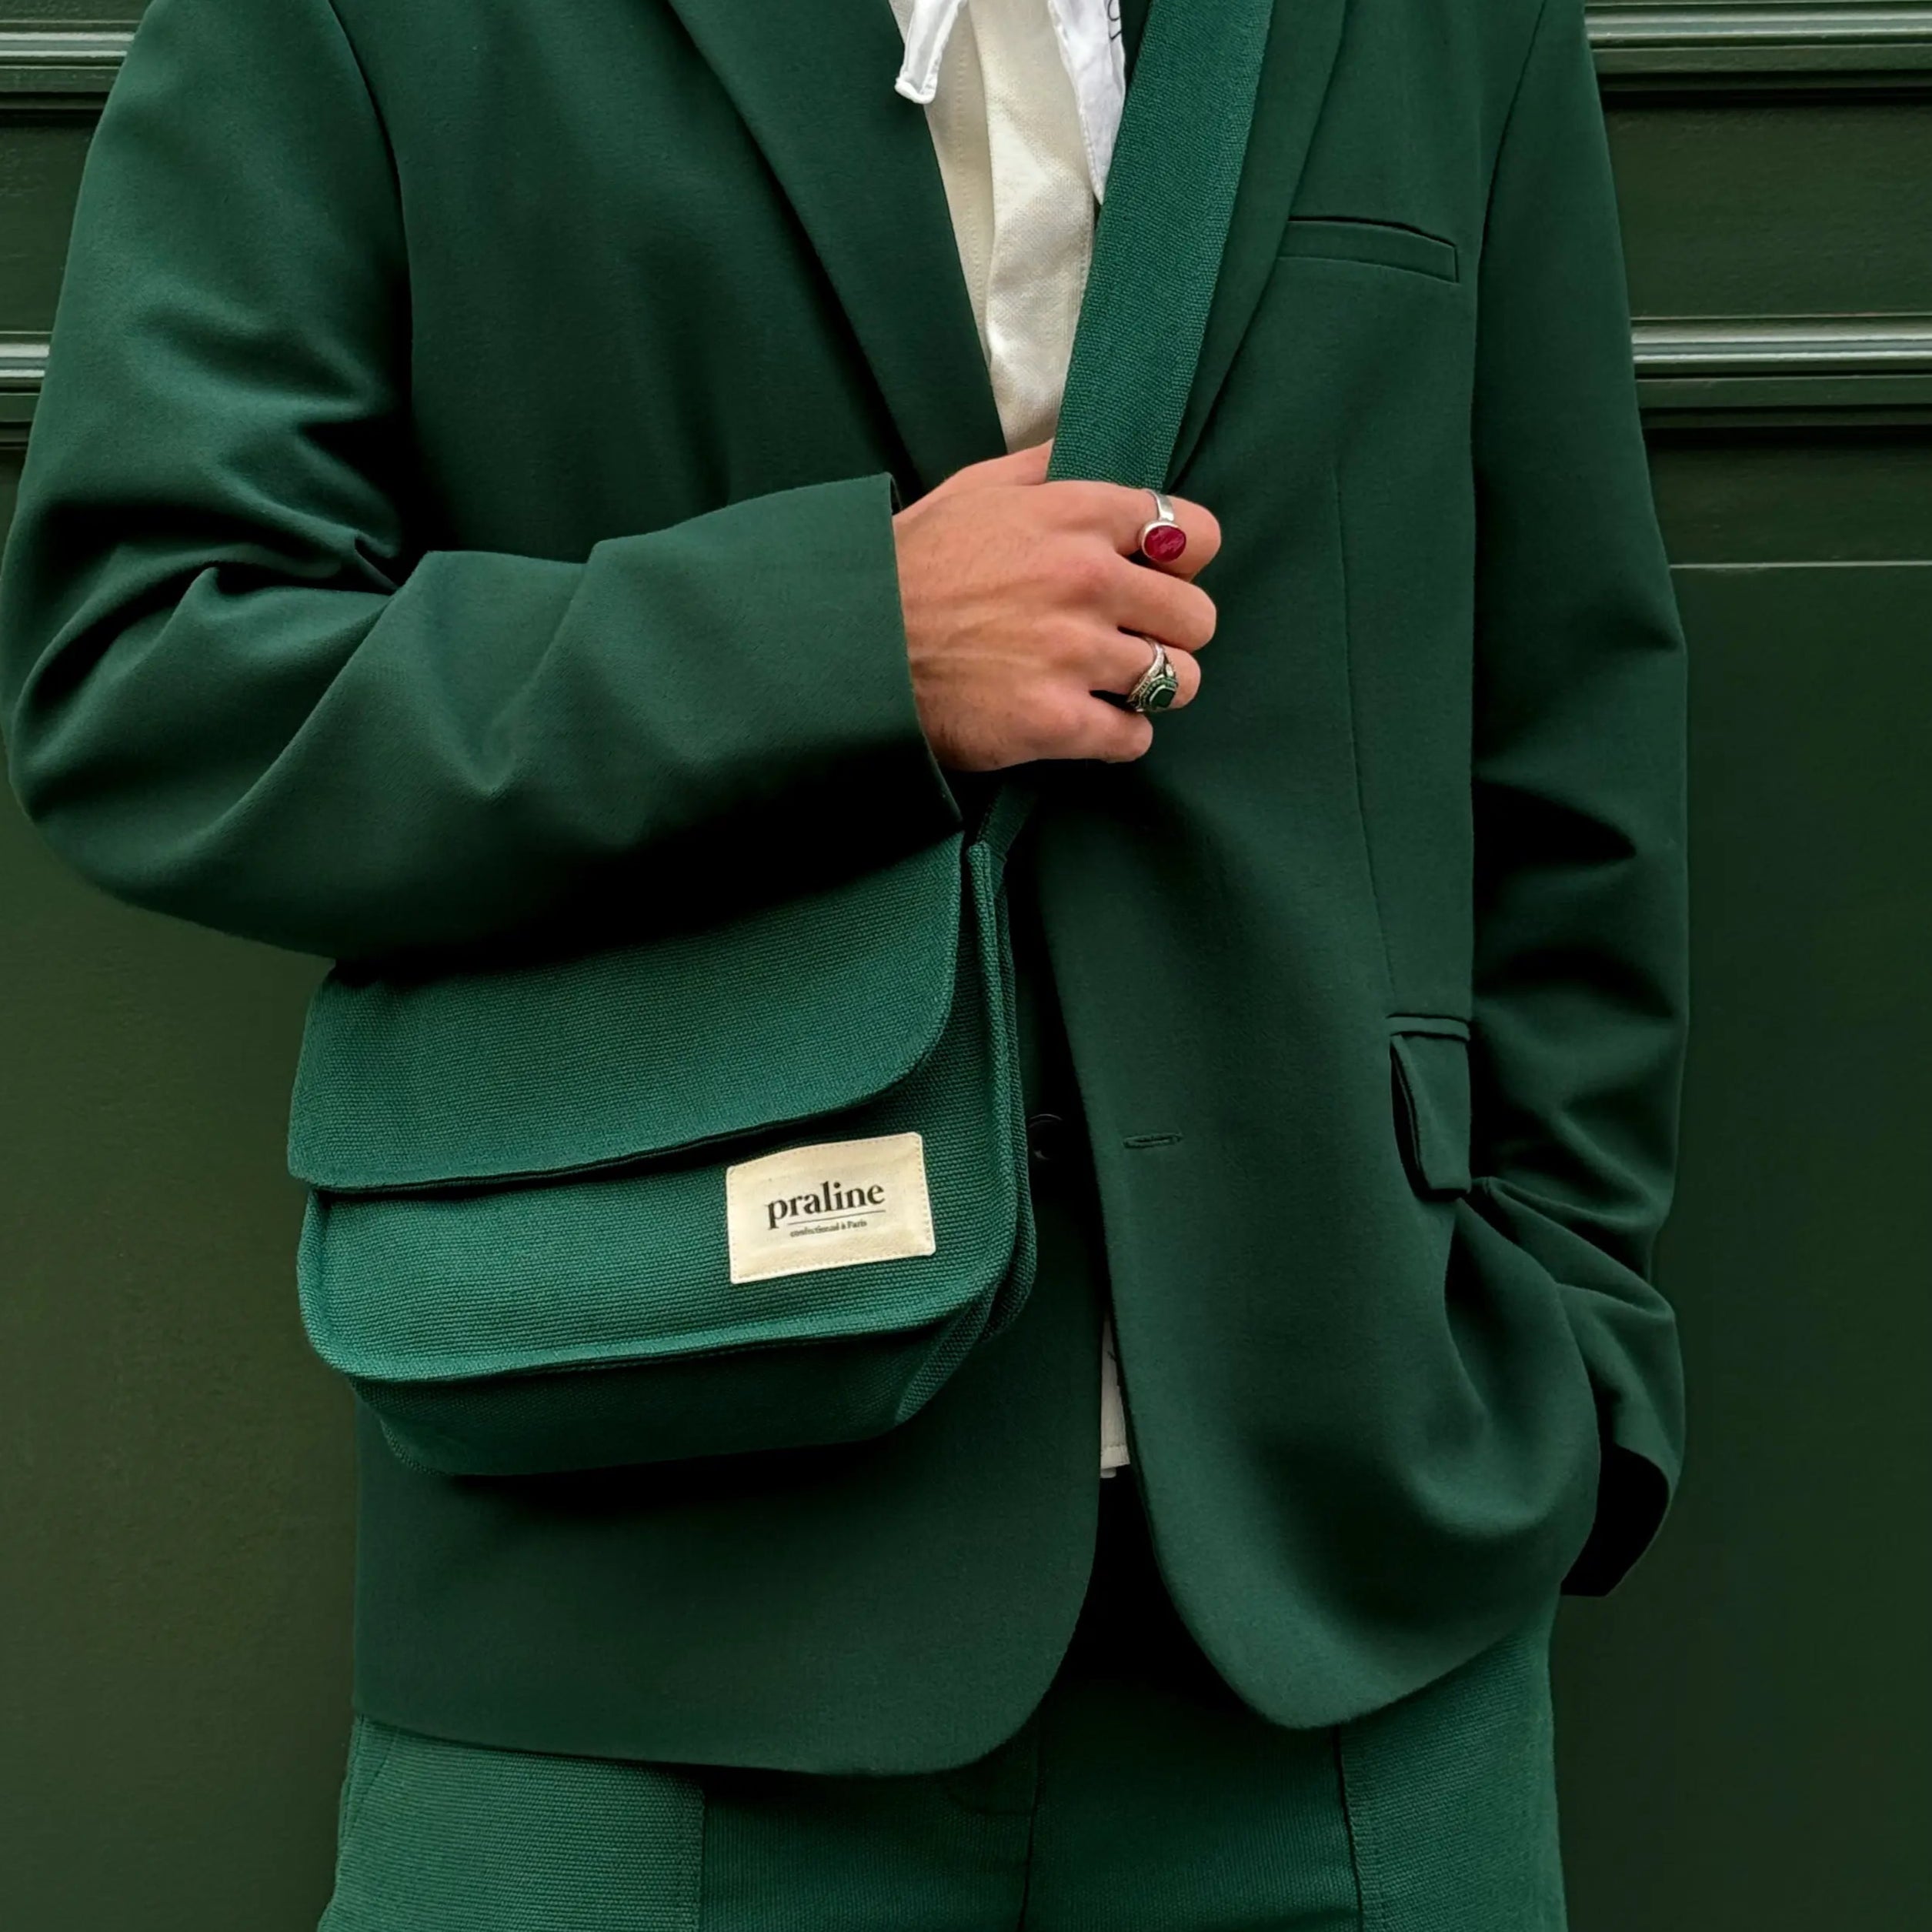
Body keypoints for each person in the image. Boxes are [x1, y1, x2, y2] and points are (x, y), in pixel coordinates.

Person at [0, 0, 1689, 1923]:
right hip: (639, 1621)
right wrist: (843, 638)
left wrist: (1572, 1345)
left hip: (1353, 1630)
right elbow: (156, 669)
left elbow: (1562, 700)